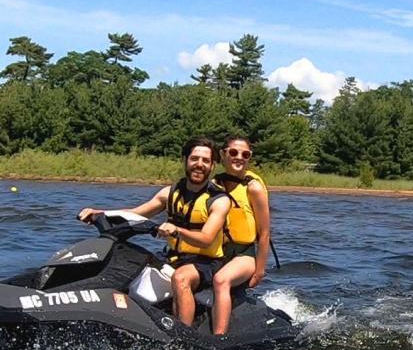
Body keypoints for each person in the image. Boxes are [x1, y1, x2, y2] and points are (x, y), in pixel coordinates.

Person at [78, 137, 235, 334]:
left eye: (205, 160)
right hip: (173, 257)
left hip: (206, 262)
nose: (199, 164)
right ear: (185, 160)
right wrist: (100, 213)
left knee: (181, 278)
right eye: (194, 158)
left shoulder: (219, 200)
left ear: (212, 166)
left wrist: (177, 230)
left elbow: (207, 238)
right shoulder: (169, 193)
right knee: (130, 267)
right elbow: (136, 213)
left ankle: (183, 340)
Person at [210, 135, 273, 311]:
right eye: (233, 152)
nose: (239, 157)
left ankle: (219, 337)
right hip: (217, 253)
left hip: (244, 256)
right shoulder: (214, 185)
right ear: (223, 154)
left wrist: (260, 271)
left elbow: (265, 232)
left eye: (245, 154)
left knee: (221, 280)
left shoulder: (254, 188)